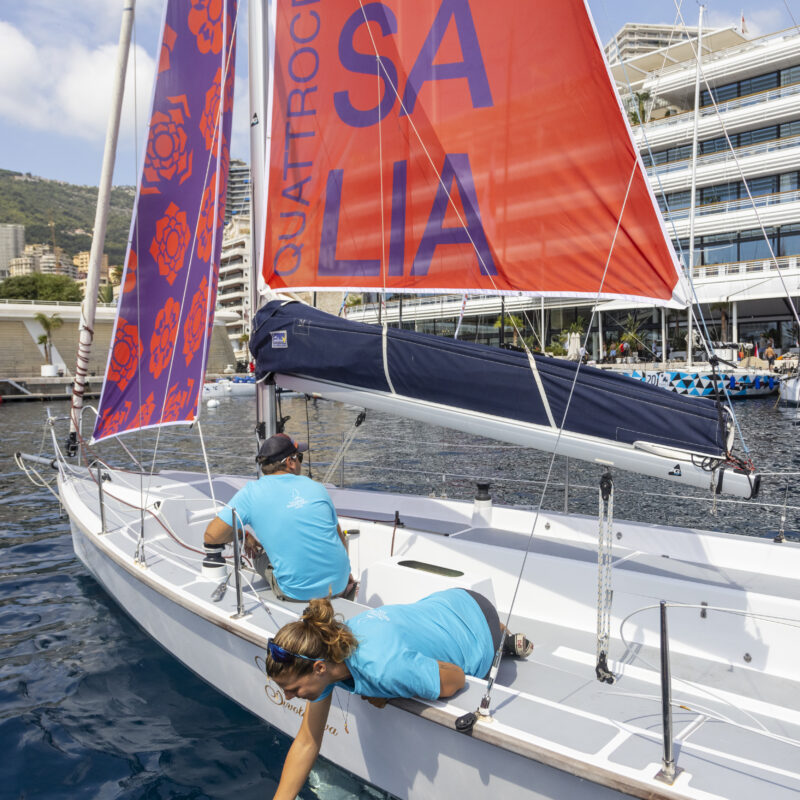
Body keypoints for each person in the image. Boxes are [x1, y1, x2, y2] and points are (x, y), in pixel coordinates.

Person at [265, 589, 532, 800]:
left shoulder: (385, 670)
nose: (288, 697)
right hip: (451, 601)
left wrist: (393, 690)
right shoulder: (332, 645)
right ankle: (505, 637)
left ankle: (501, 641)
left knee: (474, 659)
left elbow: (456, 679)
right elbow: (307, 742)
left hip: (479, 629)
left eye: (292, 689)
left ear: (319, 668)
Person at [203, 433, 352, 601]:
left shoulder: (251, 493)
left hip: (297, 593)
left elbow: (212, 536)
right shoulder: (317, 488)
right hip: (340, 585)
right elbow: (339, 538)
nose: (301, 463)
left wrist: (243, 535)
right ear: (290, 462)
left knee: (260, 555)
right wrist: (346, 576)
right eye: (300, 457)